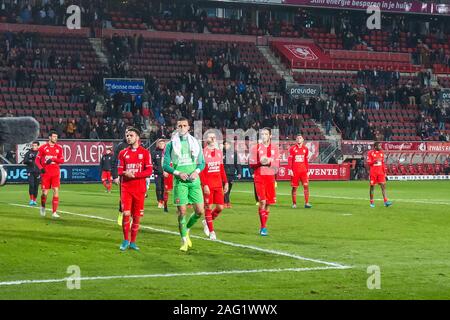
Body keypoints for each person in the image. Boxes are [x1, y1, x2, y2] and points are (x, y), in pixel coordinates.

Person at [163, 117, 206, 252]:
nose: (182, 128)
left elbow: (202, 163)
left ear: (189, 127)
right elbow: (165, 165)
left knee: (199, 211)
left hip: (194, 181)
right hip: (180, 182)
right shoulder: (170, 144)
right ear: (176, 128)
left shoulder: (195, 143)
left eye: (184, 126)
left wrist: (196, 172)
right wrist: (177, 173)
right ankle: (183, 239)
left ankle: (187, 229)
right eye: (179, 126)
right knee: (182, 212)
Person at [117, 128, 153, 251]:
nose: (128, 137)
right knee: (126, 214)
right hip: (126, 188)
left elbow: (149, 171)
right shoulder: (123, 153)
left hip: (140, 189)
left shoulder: (145, 153)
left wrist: (135, 175)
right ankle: (125, 240)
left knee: (137, 216)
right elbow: (119, 170)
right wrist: (125, 173)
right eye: (127, 135)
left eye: (131, 135)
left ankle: (133, 242)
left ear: (137, 137)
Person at [249, 128, 279, 236]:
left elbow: (277, 165)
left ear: (270, 136)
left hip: (270, 177)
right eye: (262, 134)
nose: (264, 136)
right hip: (259, 177)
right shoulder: (255, 148)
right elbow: (252, 165)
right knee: (262, 201)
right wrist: (260, 162)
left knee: (268, 203)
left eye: (266, 134)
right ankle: (263, 227)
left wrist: (270, 162)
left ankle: (264, 225)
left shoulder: (275, 148)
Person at [200, 132, 229, 240]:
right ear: (206, 139)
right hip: (208, 185)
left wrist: (225, 182)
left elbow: (221, 168)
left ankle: (206, 221)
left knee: (220, 207)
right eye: (210, 136)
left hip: (218, 185)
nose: (212, 138)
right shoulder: (202, 153)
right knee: (208, 207)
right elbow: (201, 171)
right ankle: (212, 231)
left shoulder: (219, 153)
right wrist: (205, 184)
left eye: (214, 137)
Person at [35, 131, 64, 218]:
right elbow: (37, 160)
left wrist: (53, 159)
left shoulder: (59, 148)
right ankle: (43, 207)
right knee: (45, 193)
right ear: (49, 137)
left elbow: (62, 160)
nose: (56, 138)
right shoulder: (43, 148)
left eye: (56, 137)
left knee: (56, 190)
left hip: (55, 172)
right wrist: (41, 168)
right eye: (54, 136)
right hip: (46, 173)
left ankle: (54, 212)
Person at [112, 126, 133, 225]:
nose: (128, 136)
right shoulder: (120, 146)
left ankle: (132, 216)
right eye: (126, 133)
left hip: (135, 177)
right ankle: (121, 213)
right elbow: (114, 161)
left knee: (135, 198)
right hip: (123, 177)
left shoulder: (137, 146)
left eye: (130, 134)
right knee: (124, 197)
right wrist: (115, 176)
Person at [288, 134, 312, 209]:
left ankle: (307, 203)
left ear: (303, 140)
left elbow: (306, 160)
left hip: (303, 171)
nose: (299, 139)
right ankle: (294, 203)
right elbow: (290, 160)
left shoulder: (306, 149)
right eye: (297, 138)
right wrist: (290, 169)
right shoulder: (292, 148)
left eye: (300, 138)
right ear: (296, 140)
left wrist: (308, 170)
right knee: (294, 187)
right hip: (295, 171)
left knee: (306, 186)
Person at [366, 142, 393, 208]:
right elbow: (368, 162)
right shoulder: (370, 153)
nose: (380, 147)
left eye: (380, 145)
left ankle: (385, 202)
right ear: (375, 147)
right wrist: (373, 161)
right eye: (379, 145)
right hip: (373, 173)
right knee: (372, 187)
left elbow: (383, 163)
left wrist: (385, 172)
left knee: (383, 186)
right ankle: (371, 202)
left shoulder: (381, 153)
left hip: (381, 172)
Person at [223, 141, 242, 208]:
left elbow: (238, 164)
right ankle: (226, 202)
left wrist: (239, 172)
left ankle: (225, 200)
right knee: (225, 187)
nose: (225, 145)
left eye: (227, 144)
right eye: (224, 144)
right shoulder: (221, 153)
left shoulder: (234, 153)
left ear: (230, 145)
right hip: (224, 174)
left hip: (231, 173)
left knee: (229, 188)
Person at [23, 141, 40, 206]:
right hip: (30, 171)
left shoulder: (40, 153)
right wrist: (30, 161)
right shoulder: (28, 153)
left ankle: (35, 200)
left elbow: (42, 161)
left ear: (38, 146)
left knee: (36, 186)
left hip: (38, 172)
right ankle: (31, 200)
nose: (33, 147)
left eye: (35, 146)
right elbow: (25, 161)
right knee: (31, 185)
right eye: (33, 145)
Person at [151, 139, 167, 210]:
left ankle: (163, 201)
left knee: (164, 188)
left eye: (163, 144)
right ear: (157, 144)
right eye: (160, 144)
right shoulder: (154, 152)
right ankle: (159, 201)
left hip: (165, 173)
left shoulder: (167, 153)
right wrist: (156, 168)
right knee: (158, 187)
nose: (161, 145)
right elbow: (151, 162)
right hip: (157, 173)